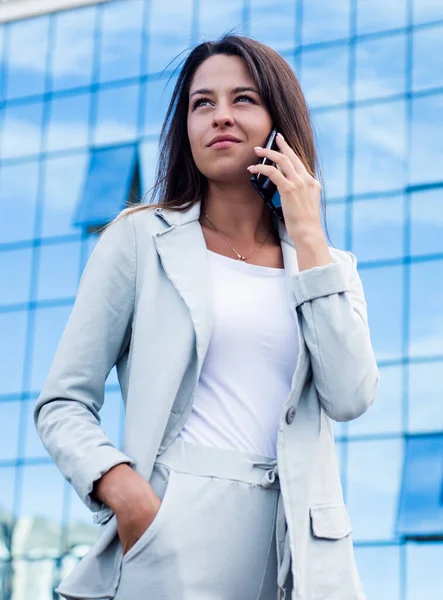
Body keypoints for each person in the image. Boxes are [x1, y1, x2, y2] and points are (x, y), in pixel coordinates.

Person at [34, 34, 379, 600]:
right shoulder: (140, 238)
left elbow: (350, 395)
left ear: (279, 122)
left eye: (243, 99)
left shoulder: (328, 266)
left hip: (300, 548)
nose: (220, 116)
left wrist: (310, 237)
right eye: (202, 103)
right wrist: (126, 492)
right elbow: (63, 402)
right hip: (172, 532)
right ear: (185, 128)